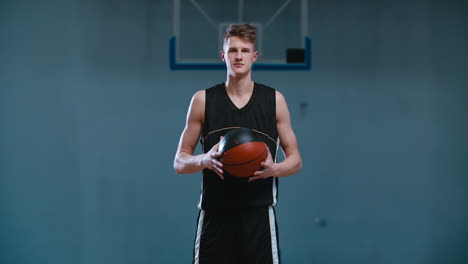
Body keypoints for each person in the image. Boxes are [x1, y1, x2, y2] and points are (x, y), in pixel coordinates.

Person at [173, 24, 302, 264]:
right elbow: (180, 161)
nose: (238, 56)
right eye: (232, 50)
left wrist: (275, 169)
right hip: (215, 215)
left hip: (258, 217)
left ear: (254, 57)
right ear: (223, 56)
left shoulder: (274, 100)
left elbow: (295, 160)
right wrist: (204, 159)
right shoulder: (203, 100)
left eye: (244, 50)